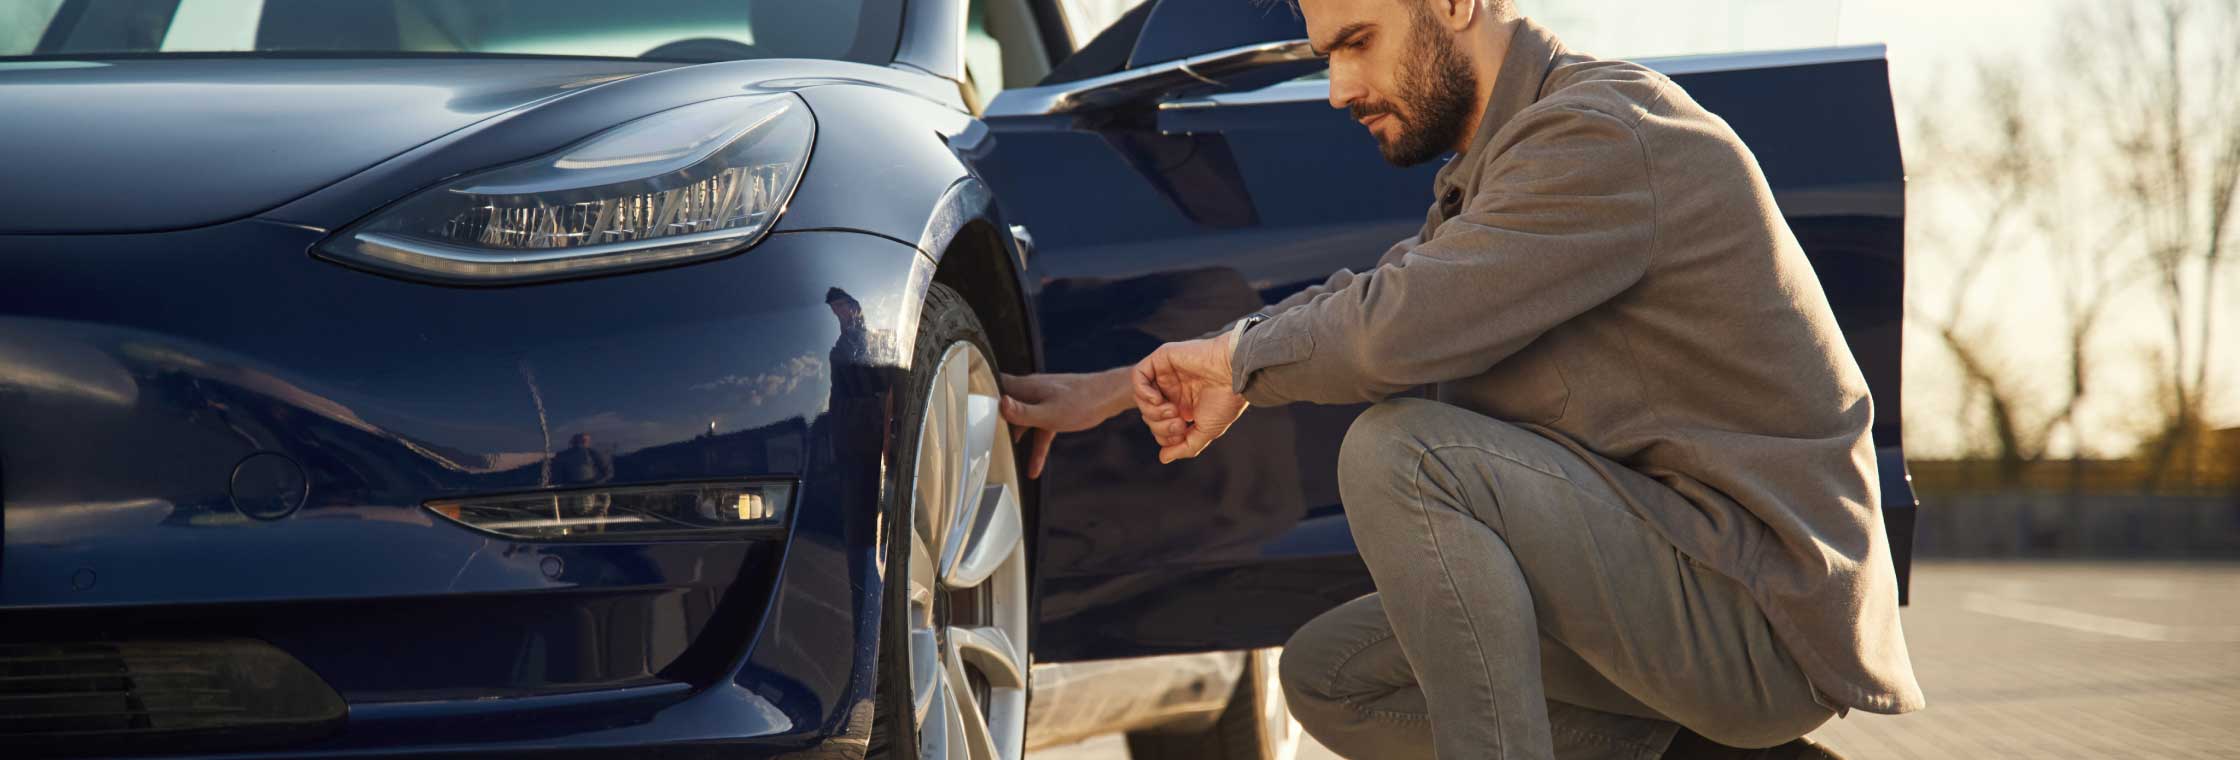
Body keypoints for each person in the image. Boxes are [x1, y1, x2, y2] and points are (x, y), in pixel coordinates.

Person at [998, 1, 1925, 758]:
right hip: (1681, 574)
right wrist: (1124, 385)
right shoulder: (1509, 159)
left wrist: (1239, 365)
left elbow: (1395, 327)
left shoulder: (1603, 134)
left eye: (1356, 43)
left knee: (1404, 452)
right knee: (1331, 674)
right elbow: (1371, 295)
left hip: (1757, 609)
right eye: (1326, 56)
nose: (1336, 89)